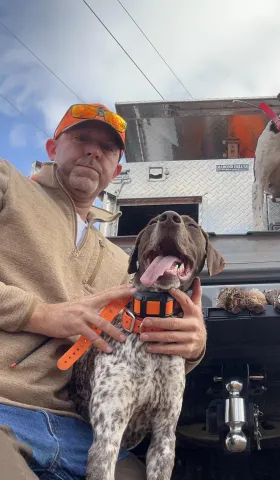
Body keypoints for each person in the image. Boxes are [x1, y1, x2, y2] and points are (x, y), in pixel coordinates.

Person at [0, 103, 207, 479]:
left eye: (107, 148)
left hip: (79, 431)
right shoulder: (7, 183)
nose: (93, 151)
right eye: (80, 138)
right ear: (51, 148)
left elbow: (139, 354)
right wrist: (39, 314)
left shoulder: (125, 263)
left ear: (117, 170)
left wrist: (192, 347)